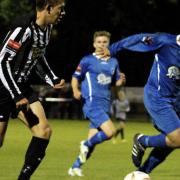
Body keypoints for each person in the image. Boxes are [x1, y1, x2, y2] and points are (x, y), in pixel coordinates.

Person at [0, 0, 65, 179]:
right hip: (3, 87)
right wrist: (16, 95)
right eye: (60, 9)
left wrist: (52, 78)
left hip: (22, 88)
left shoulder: (47, 30)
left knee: (43, 131)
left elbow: (37, 56)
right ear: (49, 8)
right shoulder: (23, 29)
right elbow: (2, 62)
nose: (63, 13)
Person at [98, 32, 180, 174]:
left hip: (177, 102)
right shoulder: (166, 42)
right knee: (177, 138)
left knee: (171, 142)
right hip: (158, 98)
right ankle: (143, 141)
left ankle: (141, 173)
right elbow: (139, 39)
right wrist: (113, 49)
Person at [68, 31, 126, 177]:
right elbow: (75, 77)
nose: (102, 44)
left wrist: (120, 84)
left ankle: (75, 167)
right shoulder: (87, 60)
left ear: (109, 44)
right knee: (110, 132)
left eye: (105, 42)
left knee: (92, 142)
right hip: (92, 103)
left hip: (105, 105)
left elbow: (115, 86)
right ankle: (85, 145)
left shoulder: (114, 62)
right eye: (99, 42)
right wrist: (75, 90)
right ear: (94, 44)